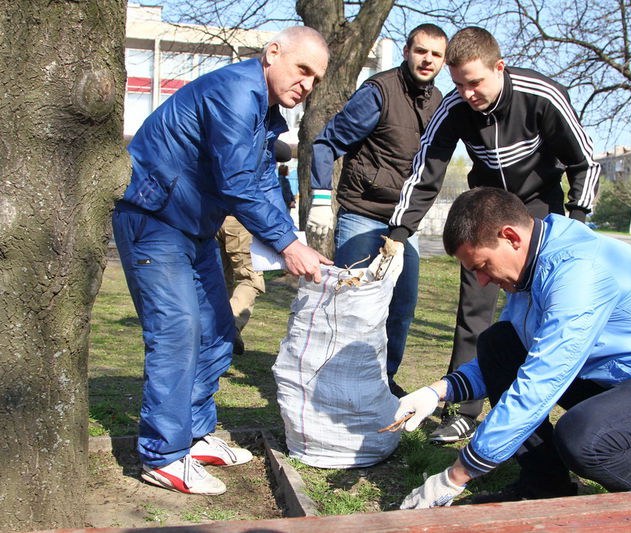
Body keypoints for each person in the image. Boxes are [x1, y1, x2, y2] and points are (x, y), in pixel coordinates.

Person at [394, 187, 631, 509]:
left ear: (511, 237)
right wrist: (435, 392)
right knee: (498, 343)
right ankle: (545, 486)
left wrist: (456, 475)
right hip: (616, 380)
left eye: (481, 265)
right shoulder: (532, 264)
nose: (481, 281)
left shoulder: (579, 272)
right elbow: (518, 353)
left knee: (584, 437)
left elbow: (540, 381)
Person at [112, 26, 330, 495]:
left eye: (316, 79)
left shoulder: (265, 113)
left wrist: (291, 241)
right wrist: (288, 246)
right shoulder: (234, 92)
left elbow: (263, 183)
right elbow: (235, 183)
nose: (307, 85)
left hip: (194, 226)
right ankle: (164, 455)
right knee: (178, 330)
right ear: (273, 53)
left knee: (215, 328)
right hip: (154, 220)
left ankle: (192, 433)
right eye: (303, 70)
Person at [386, 27, 600, 440]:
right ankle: (464, 412)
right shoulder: (454, 108)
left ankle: (559, 408)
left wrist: (576, 220)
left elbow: (585, 161)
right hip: (483, 214)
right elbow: (426, 171)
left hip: (538, 214)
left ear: (499, 67)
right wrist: (399, 229)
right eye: (459, 84)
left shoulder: (541, 95)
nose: (467, 93)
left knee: (546, 312)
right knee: (474, 310)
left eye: (475, 82)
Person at [307, 23, 448, 397]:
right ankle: (332, 385)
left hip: (403, 225)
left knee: (401, 307)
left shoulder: (441, 104)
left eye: (435, 54)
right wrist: (320, 199)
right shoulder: (379, 92)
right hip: (361, 214)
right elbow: (326, 143)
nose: (427, 59)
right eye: (421, 51)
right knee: (349, 306)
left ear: (443, 61)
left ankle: (383, 384)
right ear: (407, 52)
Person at [216, 140, 294, 356]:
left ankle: (221, 333)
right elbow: (284, 151)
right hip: (242, 219)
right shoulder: (255, 138)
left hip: (214, 216)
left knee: (223, 278)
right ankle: (227, 328)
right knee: (250, 279)